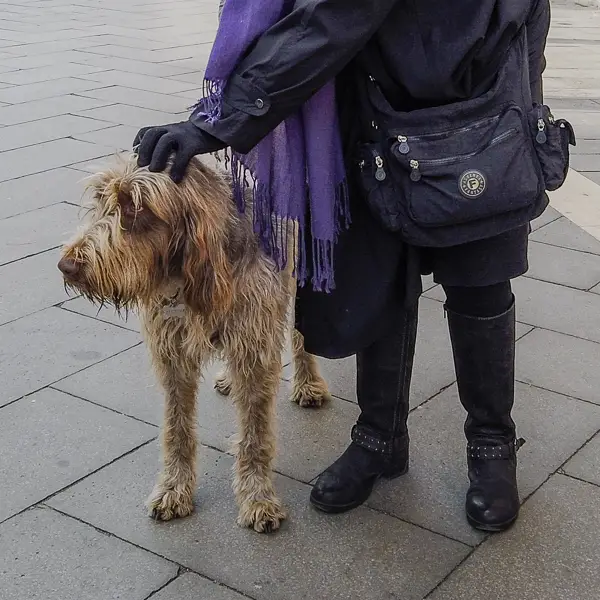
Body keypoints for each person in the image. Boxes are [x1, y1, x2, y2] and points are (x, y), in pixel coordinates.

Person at [134, 0, 555, 532]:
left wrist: (218, 121)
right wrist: (220, 120)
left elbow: (331, 17)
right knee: (382, 279)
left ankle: (492, 445)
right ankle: (380, 436)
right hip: (379, 115)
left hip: (487, 103)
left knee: (481, 284)